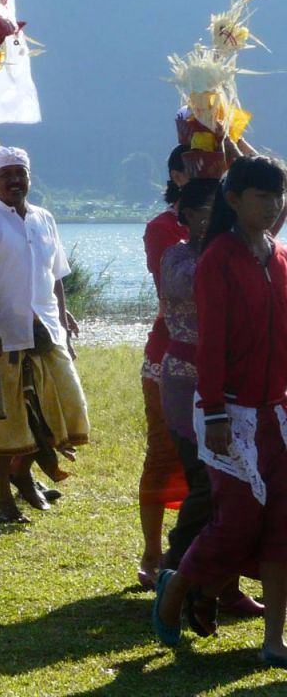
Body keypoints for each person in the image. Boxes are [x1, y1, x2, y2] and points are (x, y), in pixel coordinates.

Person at [154, 155, 287, 664]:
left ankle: (274, 639)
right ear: (234, 201)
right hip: (227, 413)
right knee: (237, 519)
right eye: (262, 195)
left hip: (275, 413)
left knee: (280, 523)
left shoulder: (277, 257)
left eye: (279, 195)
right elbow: (210, 344)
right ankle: (175, 589)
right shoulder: (218, 259)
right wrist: (211, 413)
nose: (273, 205)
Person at [0, 146, 89, 524]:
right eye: (6, 175)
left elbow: (56, 277)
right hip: (3, 334)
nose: (15, 181)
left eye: (21, 174)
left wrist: (63, 321)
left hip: (45, 330)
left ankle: (22, 472)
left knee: (56, 411)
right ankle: (4, 500)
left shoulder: (44, 219)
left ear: (29, 178)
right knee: (5, 417)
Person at [156, 177, 262, 620]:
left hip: (234, 385)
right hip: (185, 384)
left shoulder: (238, 251)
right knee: (205, 486)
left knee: (236, 487)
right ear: (189, 215)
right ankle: (176, 569)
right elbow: (195, 287)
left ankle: (220, 584)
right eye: (209, 211)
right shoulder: (178, 258)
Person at [138, 145, 194, 587]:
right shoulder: (162, 229)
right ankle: (153, 555)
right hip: (169, 355)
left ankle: (198, 554)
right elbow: (172, 288)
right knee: (163, 453)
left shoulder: (238, 228)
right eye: (193, 167)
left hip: (221, 358)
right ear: (175, 175)